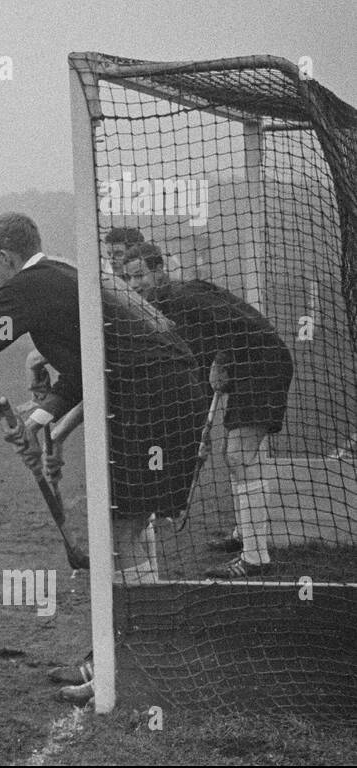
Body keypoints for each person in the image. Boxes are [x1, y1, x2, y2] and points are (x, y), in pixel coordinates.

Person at [0, 213, 206, 705]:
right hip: (164, 392)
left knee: (121, 529)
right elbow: (89, 366)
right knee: (131, 524)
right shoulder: (60, 275)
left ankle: (130, 666)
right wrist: (43, 423)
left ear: (3, 258)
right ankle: (127, 655)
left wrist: (1, 413)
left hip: (148, 398)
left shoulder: (27, 287)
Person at [122, 242, 294, 578]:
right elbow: (199, 360)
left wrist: (223, 361)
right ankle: (246, 534)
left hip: (262, 365)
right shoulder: (162, 305)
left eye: (140, 275)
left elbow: (240, 325)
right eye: (128, 279)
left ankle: (256, 559)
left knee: (238, 456)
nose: (134, 284)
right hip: (247, 368)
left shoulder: (181, 297)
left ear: (159, 271)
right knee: (243, 456)